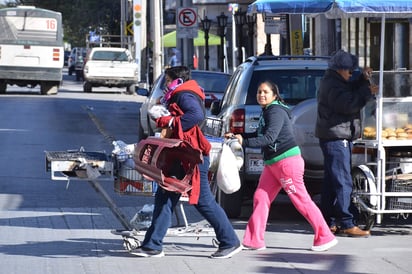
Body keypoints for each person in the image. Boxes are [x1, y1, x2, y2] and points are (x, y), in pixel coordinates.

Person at [131, 66, 242, 258]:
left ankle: (230, 241)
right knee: (164, 198)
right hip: (181, 155)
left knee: (203, 200)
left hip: (191, 157)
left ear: (176, 81)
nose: (165, 85)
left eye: (167, 81)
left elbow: (196, 116)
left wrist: (170, 121)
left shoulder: (184, 94)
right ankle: (152, 245)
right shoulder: (183, 93)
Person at [226, 80, 338, 252]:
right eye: (259, 92)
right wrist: (238, 135)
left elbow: (269, 138)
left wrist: (245, 141)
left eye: (265, 92)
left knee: (301, 200)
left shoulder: (276, 111)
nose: (261, 95)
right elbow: (260, 134)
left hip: (286, 163)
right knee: (260, 198)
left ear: (274, 95)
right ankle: (254, 240)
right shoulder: (268, 110)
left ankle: (325, 236)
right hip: (273, 164)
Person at [315, 49, 378, 237]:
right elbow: (348, 104)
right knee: (343, 180)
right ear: (340, 69)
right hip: (336, 137)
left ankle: (327, 220)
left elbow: (349, 89)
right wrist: (366, 92)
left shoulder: (335, 81)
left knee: (331, 182)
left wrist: (361, 80)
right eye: (350, 71)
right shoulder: (333, 85)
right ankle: (346, 222)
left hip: (335, 135)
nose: (351, 74)